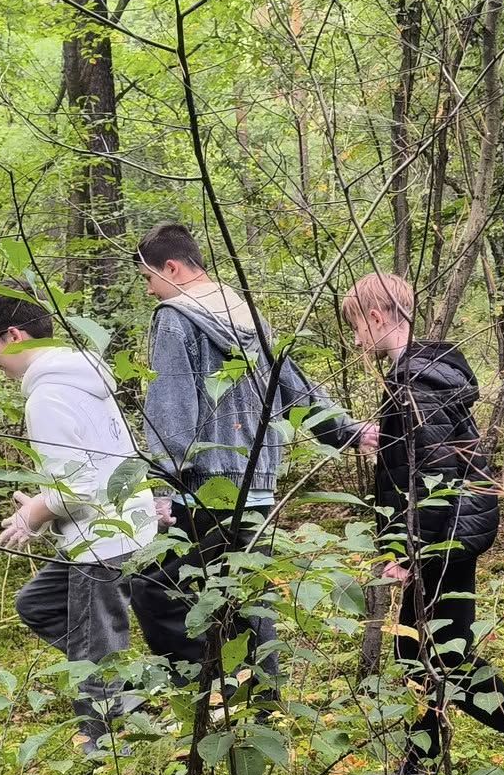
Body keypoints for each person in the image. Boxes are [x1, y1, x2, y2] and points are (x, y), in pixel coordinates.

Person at [341, 272, 504, 775]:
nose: (357, 341)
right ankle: (419, 766)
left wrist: (409, 551)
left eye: (356, 326)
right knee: (429, 653)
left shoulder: (414, 385)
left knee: (436, 657)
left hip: (443, 537)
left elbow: (435, 476)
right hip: (451, 533)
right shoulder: (425, 374)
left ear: (376, 317)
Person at [127, 223, 371, 701]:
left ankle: (208, 697)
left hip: (204, 485)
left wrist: (163, 486)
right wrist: (347, 430)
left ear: (172, 268)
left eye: (148, 278)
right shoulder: (246, 313)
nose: (150, 290)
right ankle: (265, 707)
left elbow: (171, 407)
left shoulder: (173, 317)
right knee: (248, 597)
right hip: (257, 481)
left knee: (155, 590)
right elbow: (293, 384)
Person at [0, 288, 157, 747]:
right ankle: (131, 689)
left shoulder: (48, 395)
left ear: (13, 335)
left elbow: (78, 488)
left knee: (94, 654)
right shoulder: (79, 376)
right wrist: (42, 503)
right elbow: (91, 466)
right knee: (38, 605)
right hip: (122, 524)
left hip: (102, 539)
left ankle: (104, 754)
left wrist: (34, 512)